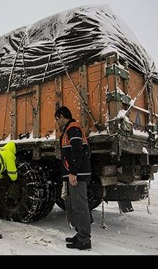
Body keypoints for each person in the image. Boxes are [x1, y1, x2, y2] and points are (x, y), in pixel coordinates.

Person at [55, 106, 92, 250]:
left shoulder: (73, 130)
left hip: (77, 175)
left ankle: (84, 239)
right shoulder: (70, 130)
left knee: (80, 206)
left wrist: (73, 172)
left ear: (62, 116)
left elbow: (78, 152)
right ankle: (80, 234)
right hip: (75, 174)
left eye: (57, 119)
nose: (57, 122)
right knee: (75, 206)